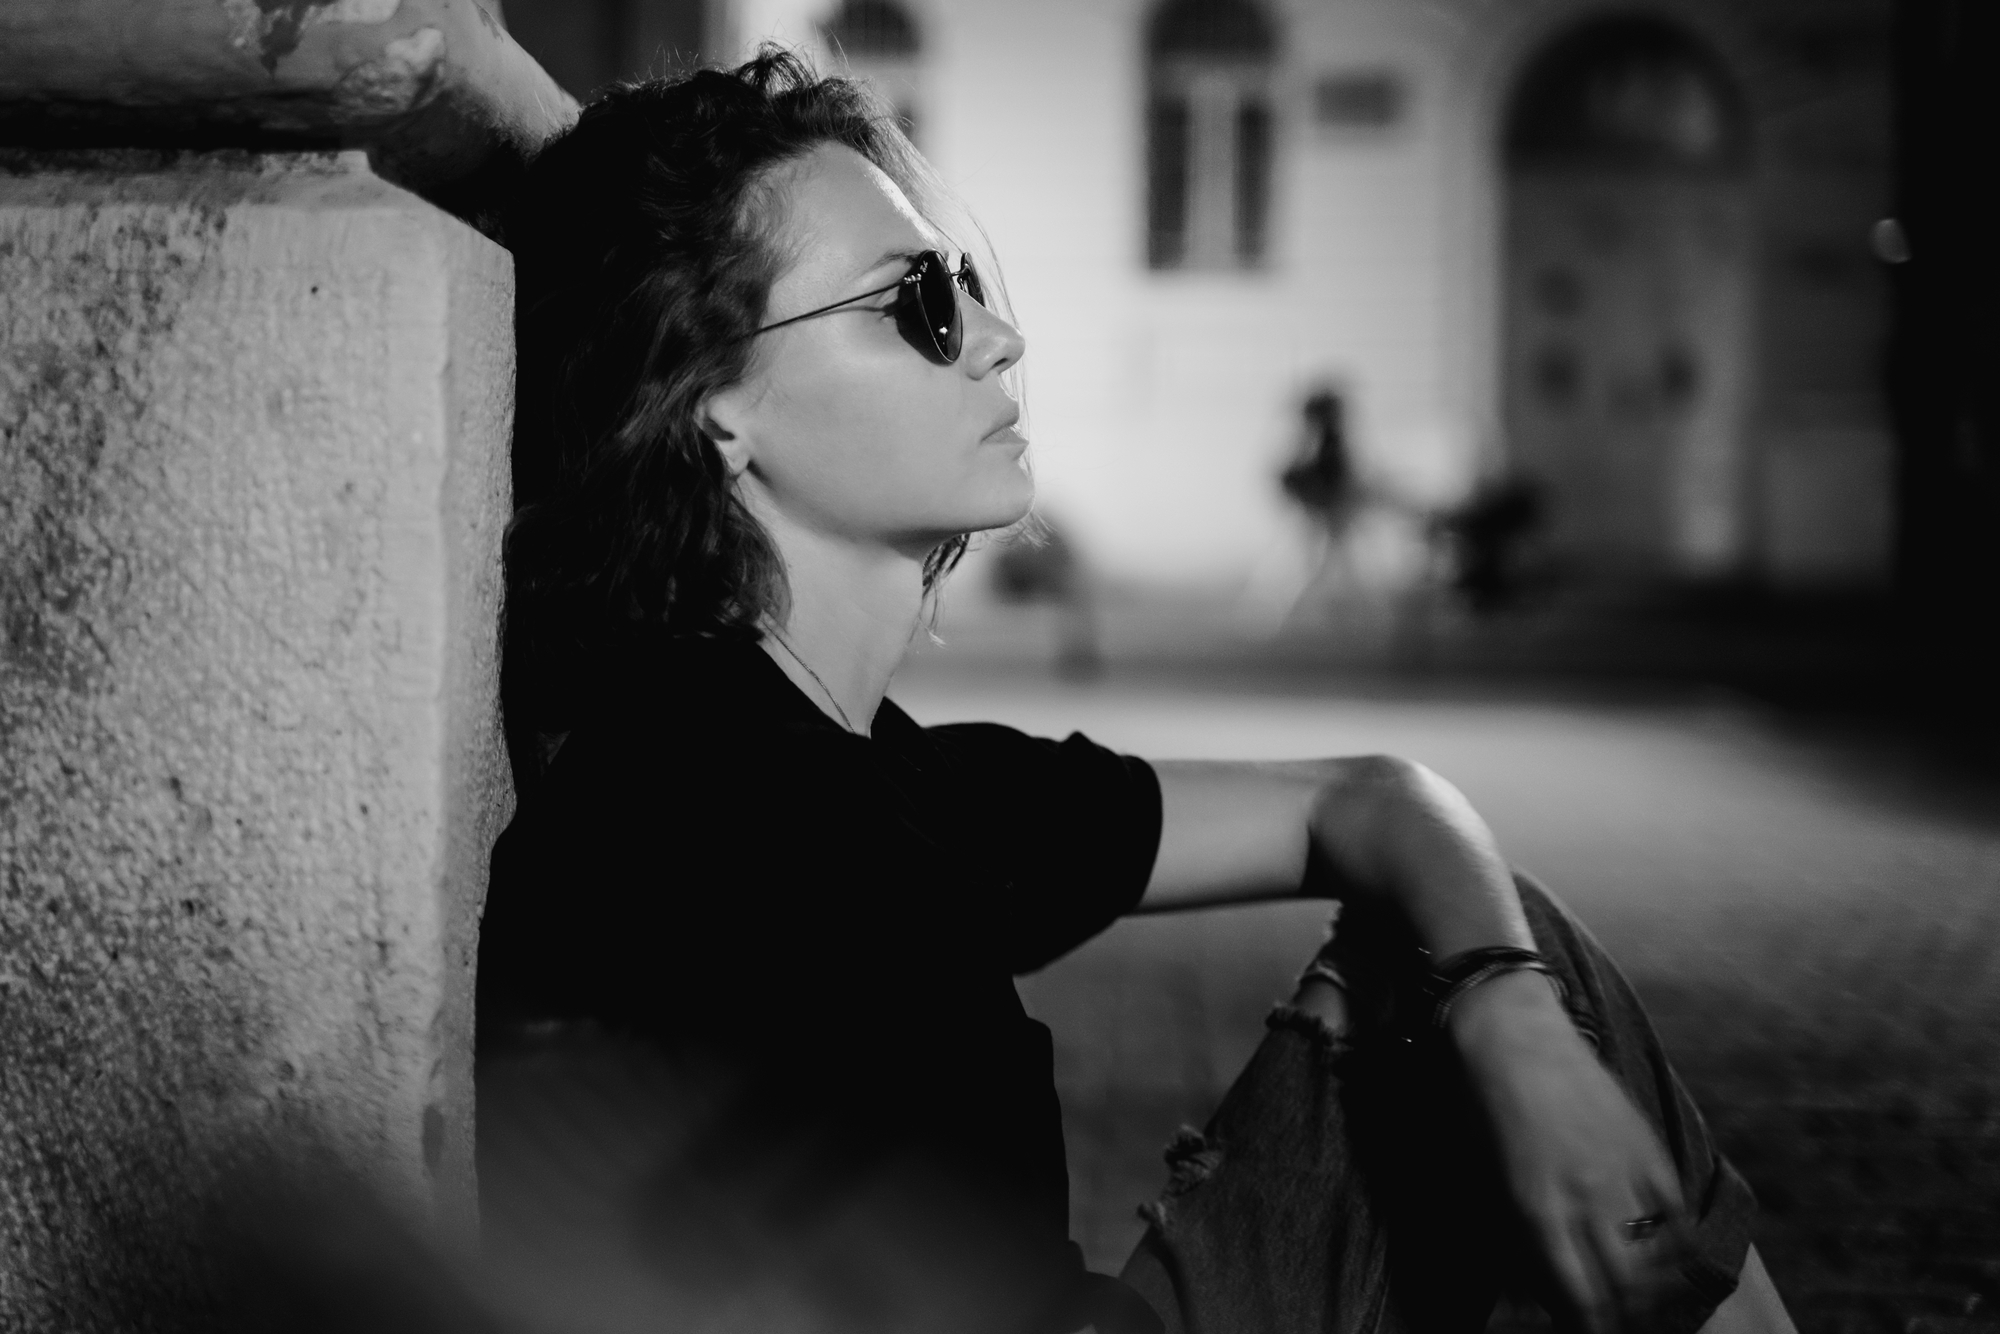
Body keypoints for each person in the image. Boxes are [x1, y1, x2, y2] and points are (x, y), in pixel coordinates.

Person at [477, 50, 1795, 1334]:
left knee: (1488, 946)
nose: (996, 338)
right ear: (715, 402)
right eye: (916, 306)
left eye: (965, 287)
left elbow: (1368, 799)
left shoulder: (876, 779)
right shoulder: (705, 826)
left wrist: (1511, 1017)